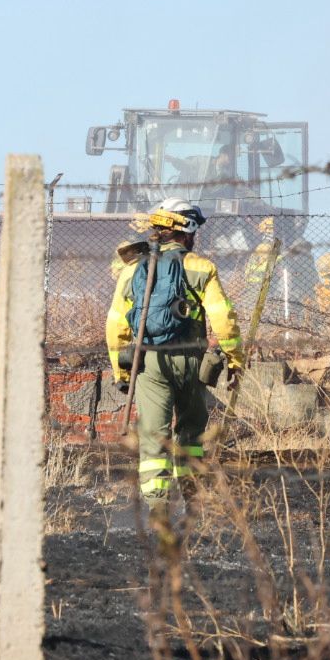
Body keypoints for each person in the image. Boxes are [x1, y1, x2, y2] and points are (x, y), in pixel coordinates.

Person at [105, 198, 245, 507]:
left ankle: (157, 507)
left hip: (149, 361)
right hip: (193, 360)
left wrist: (121, 371)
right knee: (191, 431)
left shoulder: (131, 271)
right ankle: (192, 496)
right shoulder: (201, 267)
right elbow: (224, 320)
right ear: (187, 230)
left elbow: (115, 326)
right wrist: (235, 360)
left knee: (154, 436)